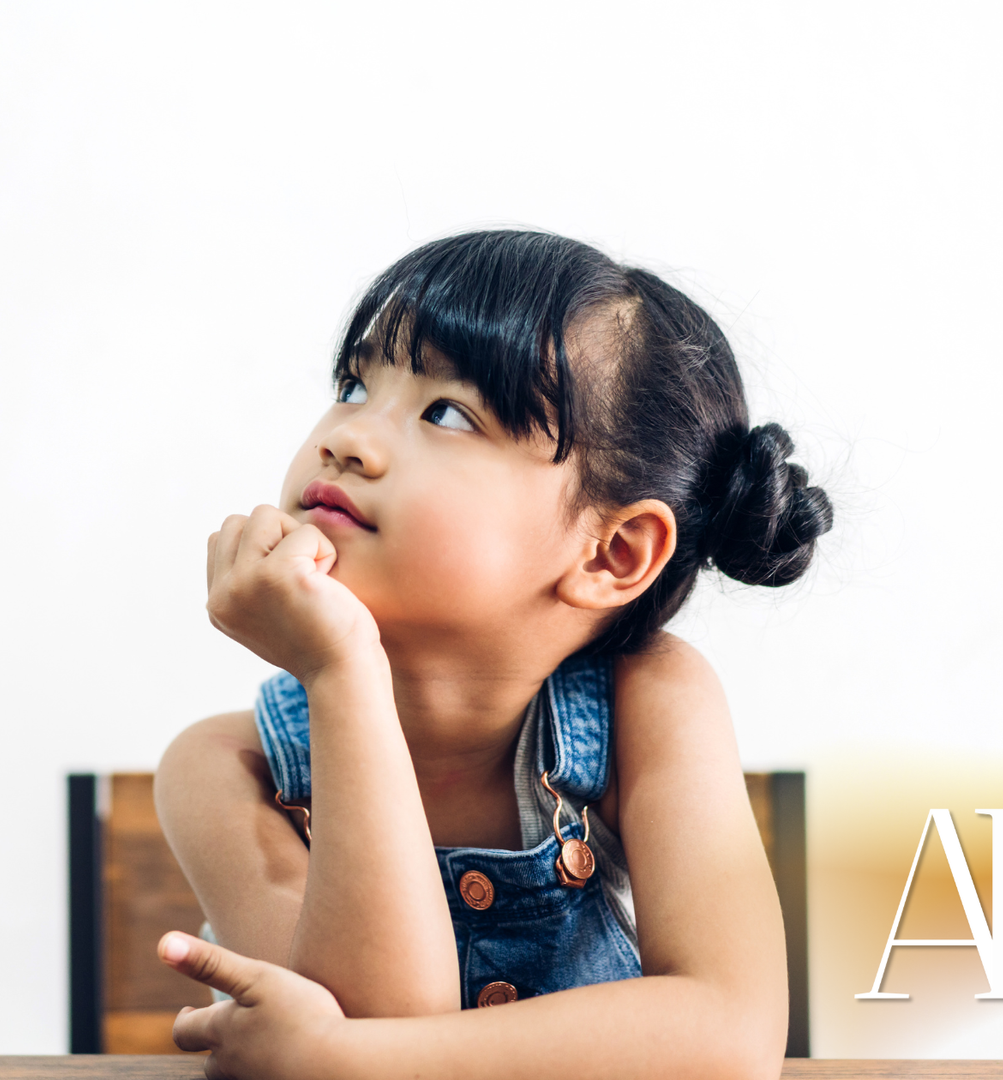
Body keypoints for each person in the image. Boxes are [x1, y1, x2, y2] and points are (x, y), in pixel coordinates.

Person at [153, 229, 831, 1080]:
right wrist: (342, 672)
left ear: (611, 555)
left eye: (447, 413)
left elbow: (731, 1037)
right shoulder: (227, 769)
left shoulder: (650, 703)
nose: (347, 439)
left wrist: (342, 1057)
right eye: (354, 384)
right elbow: (376, 1018)